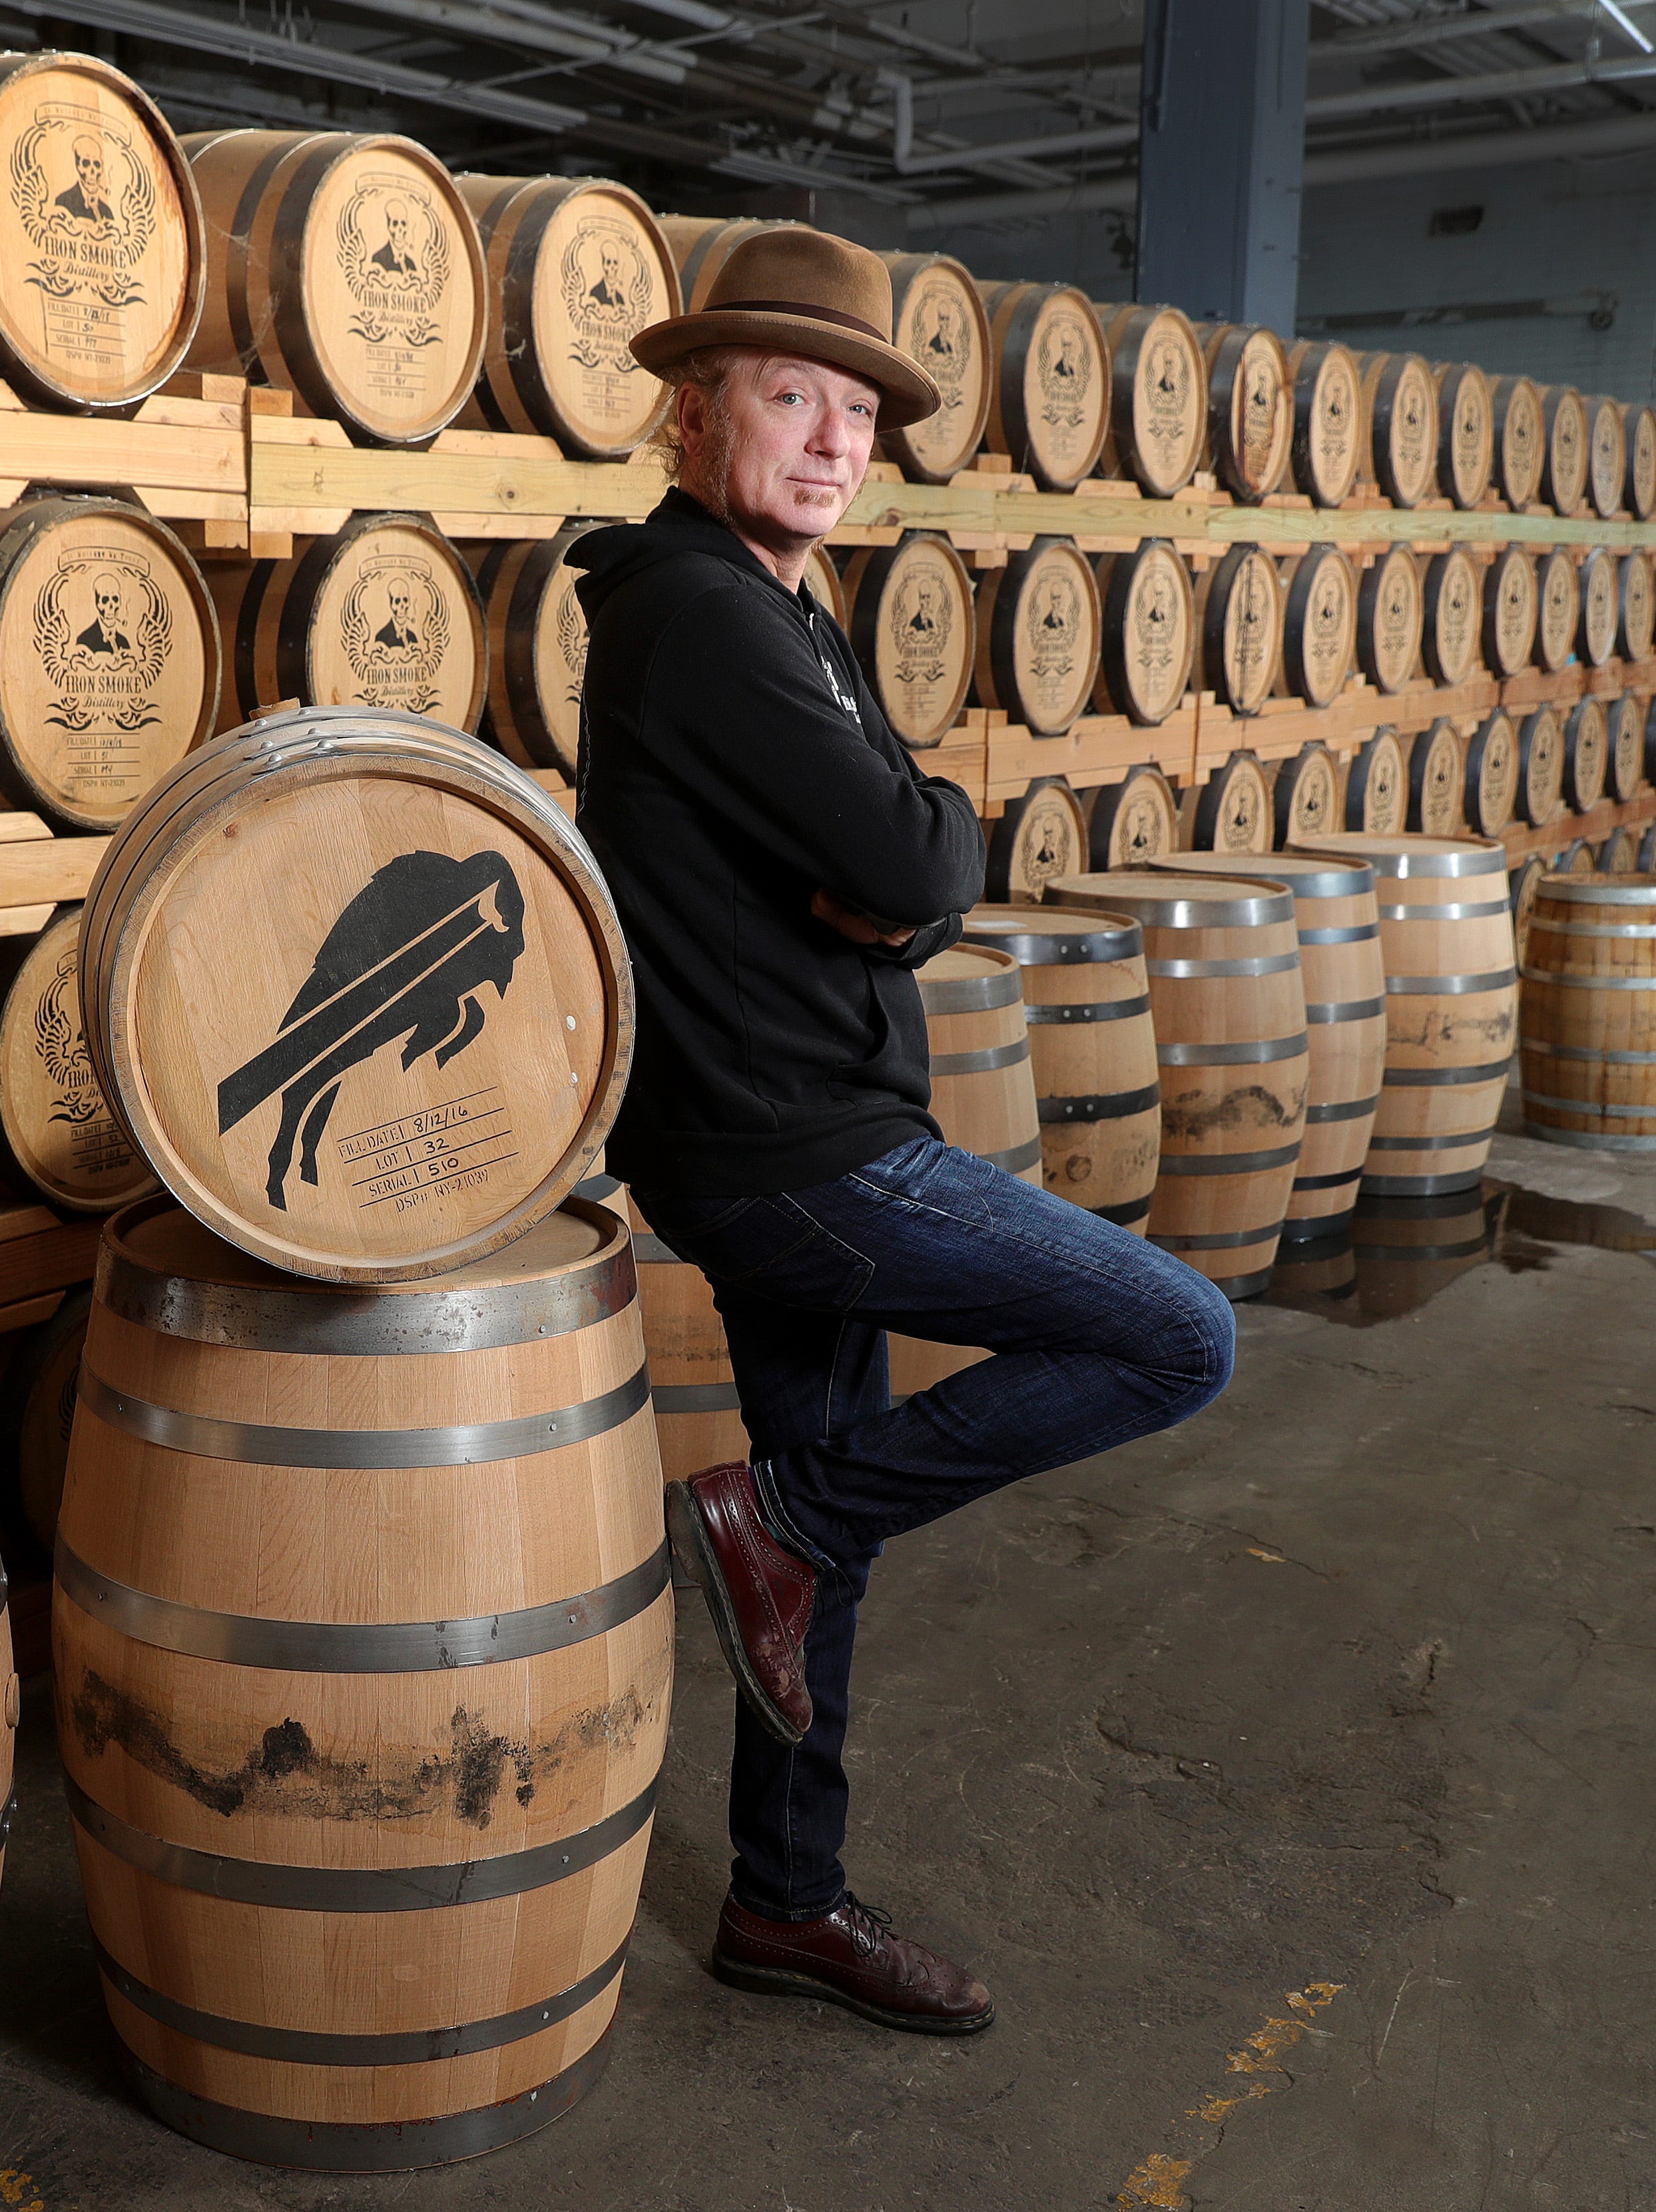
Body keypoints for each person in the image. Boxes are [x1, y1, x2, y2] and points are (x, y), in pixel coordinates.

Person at [568, 227, 1236, 2037]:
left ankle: (785, 1897)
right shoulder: (704, 610)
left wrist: (905, 864)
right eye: (794, 398)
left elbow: (922, 855)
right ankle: (775, 1513)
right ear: (696, 415)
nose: (837, 440)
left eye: (860, 410)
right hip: (801, 1156)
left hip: (797, 1134)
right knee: (1182, 1334)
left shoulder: (781, 607)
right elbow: (918, 853)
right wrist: (901, 865)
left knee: (819, 1568)